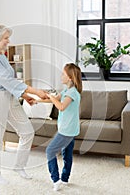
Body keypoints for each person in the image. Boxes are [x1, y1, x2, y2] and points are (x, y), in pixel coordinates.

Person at [0, 24, 48, 185]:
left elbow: (10, 83)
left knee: (27, 132)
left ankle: (19, 166)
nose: (8, 41)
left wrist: (25, 96)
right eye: (6, 38)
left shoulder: (3, 57)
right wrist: (34, 91)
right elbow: (6, 81)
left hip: (10, 97)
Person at [45, 63, 82, 191]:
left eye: (63, 74)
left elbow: (61, 106)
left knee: (50, 151)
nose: (61, 76)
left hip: (67, 131)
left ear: (70, 78)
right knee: (67, 155)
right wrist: (38, 100)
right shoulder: (66, 90)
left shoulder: (72, 93)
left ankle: (56, 180)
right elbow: (54, 99)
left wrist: (51, 97)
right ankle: (65, 179)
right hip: (69, 129)